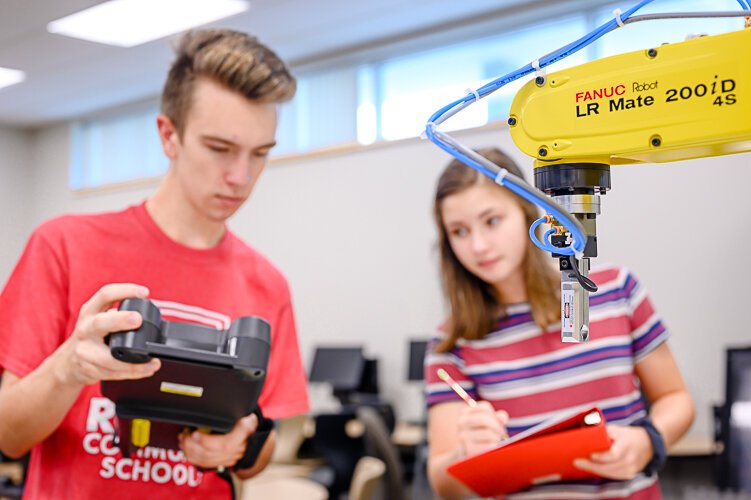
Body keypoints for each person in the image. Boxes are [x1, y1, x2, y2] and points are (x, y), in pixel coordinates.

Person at [0, 29, 309, 499]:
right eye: (220, 149)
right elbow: (8, 436)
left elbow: (260, 450)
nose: (241, 177)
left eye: (260, 154)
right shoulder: (63, 245)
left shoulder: (267, 285)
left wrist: (240, 443)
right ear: (169, 135)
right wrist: (68, 368)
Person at [424, 147, 694, 499]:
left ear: (527, 213)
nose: (478, 245)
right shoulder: (451, 344)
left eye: (492, 221)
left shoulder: (617, 290)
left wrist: (647, 440)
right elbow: (443, 484)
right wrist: (465, 452)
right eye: (459, 231)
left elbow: (676, 399)